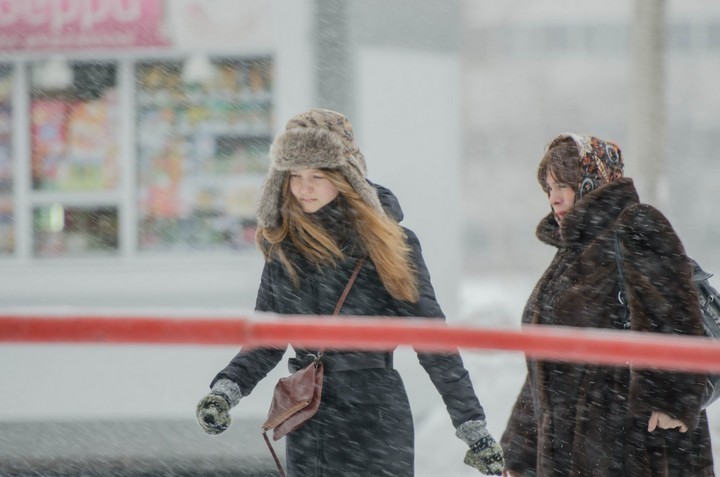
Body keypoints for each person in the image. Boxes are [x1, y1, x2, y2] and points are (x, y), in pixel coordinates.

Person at [195, 108, 504, 476]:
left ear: (344, 178)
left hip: (374, 416)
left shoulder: (390, 244)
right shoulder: (284, 248)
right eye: (294, 176)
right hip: (308, 417)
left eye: (317, 175)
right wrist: (225, 390)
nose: (304, 188)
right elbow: (267, 337)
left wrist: (473, 427)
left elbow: (433, 341)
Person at [500, 133, 715, 476]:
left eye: (563, 185)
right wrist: (521, 451)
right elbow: (546, 366)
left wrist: (673, 401)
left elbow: (675, 315)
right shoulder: (569, 255)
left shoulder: (635, 225)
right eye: (548, 188)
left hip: (631, 444)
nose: (554, 199)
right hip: (575, 450)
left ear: (592, 180)